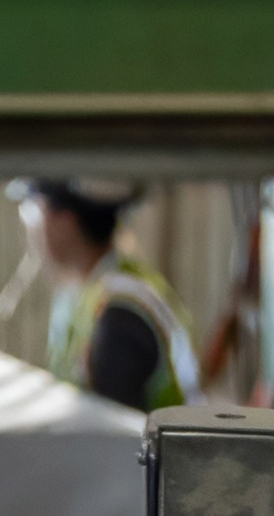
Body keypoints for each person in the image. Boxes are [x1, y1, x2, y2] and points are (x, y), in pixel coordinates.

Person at [16, 177, 194, 413]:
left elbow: (117, 431)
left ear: (67, 220)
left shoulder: (119, 310)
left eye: (36, 211)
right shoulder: (93, 292)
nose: (34, 228)